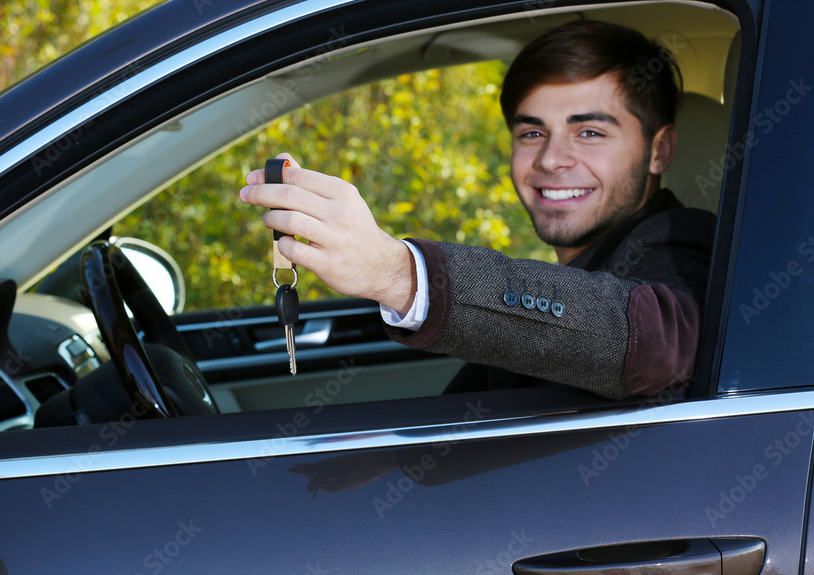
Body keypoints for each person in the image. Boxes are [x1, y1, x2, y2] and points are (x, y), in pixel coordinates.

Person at [239, 20, 716, 400]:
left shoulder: (688, 246)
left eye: (590, 132)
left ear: (658, 151)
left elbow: (655, 342)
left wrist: (398, 273)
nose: (551, 159)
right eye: (532, 133)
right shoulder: (584, 272)